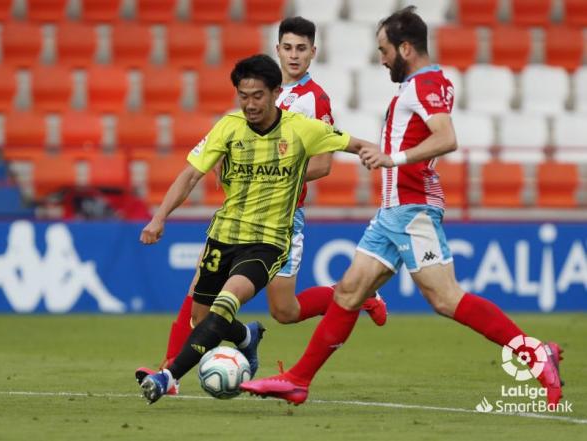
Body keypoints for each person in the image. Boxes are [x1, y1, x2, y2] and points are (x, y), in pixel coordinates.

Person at [240, 7, 563, 407]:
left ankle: (532, 351)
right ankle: (298, 380)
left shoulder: (421, 85)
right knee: (348, 292)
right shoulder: (427, 81)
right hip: (392, 211)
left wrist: (395, 159)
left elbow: (447, 138)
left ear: (405, 48)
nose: (381, 59)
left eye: (384, 50)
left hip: (411, 209)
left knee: (445, 298)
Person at [135, 16, 386, 387]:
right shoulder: (262, 89)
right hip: (237, 220)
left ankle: (355, 293)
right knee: (212, 295)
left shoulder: (313, 101)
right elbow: (232, 143)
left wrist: (265, 176)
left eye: (302, 48)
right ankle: (171, 366)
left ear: (313, 53)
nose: (294, 55)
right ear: (277, 49)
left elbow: (323, 164)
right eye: (288, 47)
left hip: (282, 220)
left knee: (286, 311)